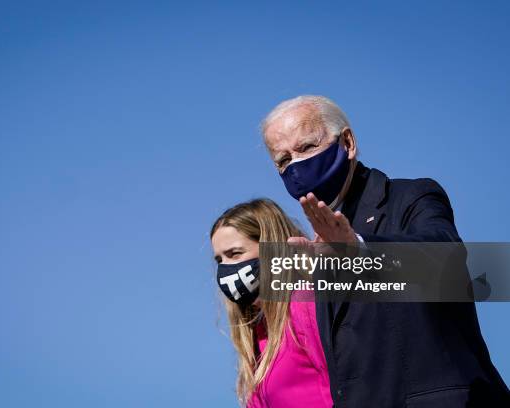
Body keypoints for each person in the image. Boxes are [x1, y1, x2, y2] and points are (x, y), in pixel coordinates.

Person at [260, 95, 510, 407]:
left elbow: (446, 258)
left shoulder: (411, 196)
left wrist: (359, 251)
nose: (296, 166)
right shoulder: (316, 247)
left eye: (307, 147)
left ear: (347, 143)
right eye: (283, 160)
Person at [210, 198, 333, 407]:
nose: (226, 269)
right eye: (220, 260)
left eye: (235, 254)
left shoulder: (306, 304)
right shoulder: (259, 332)